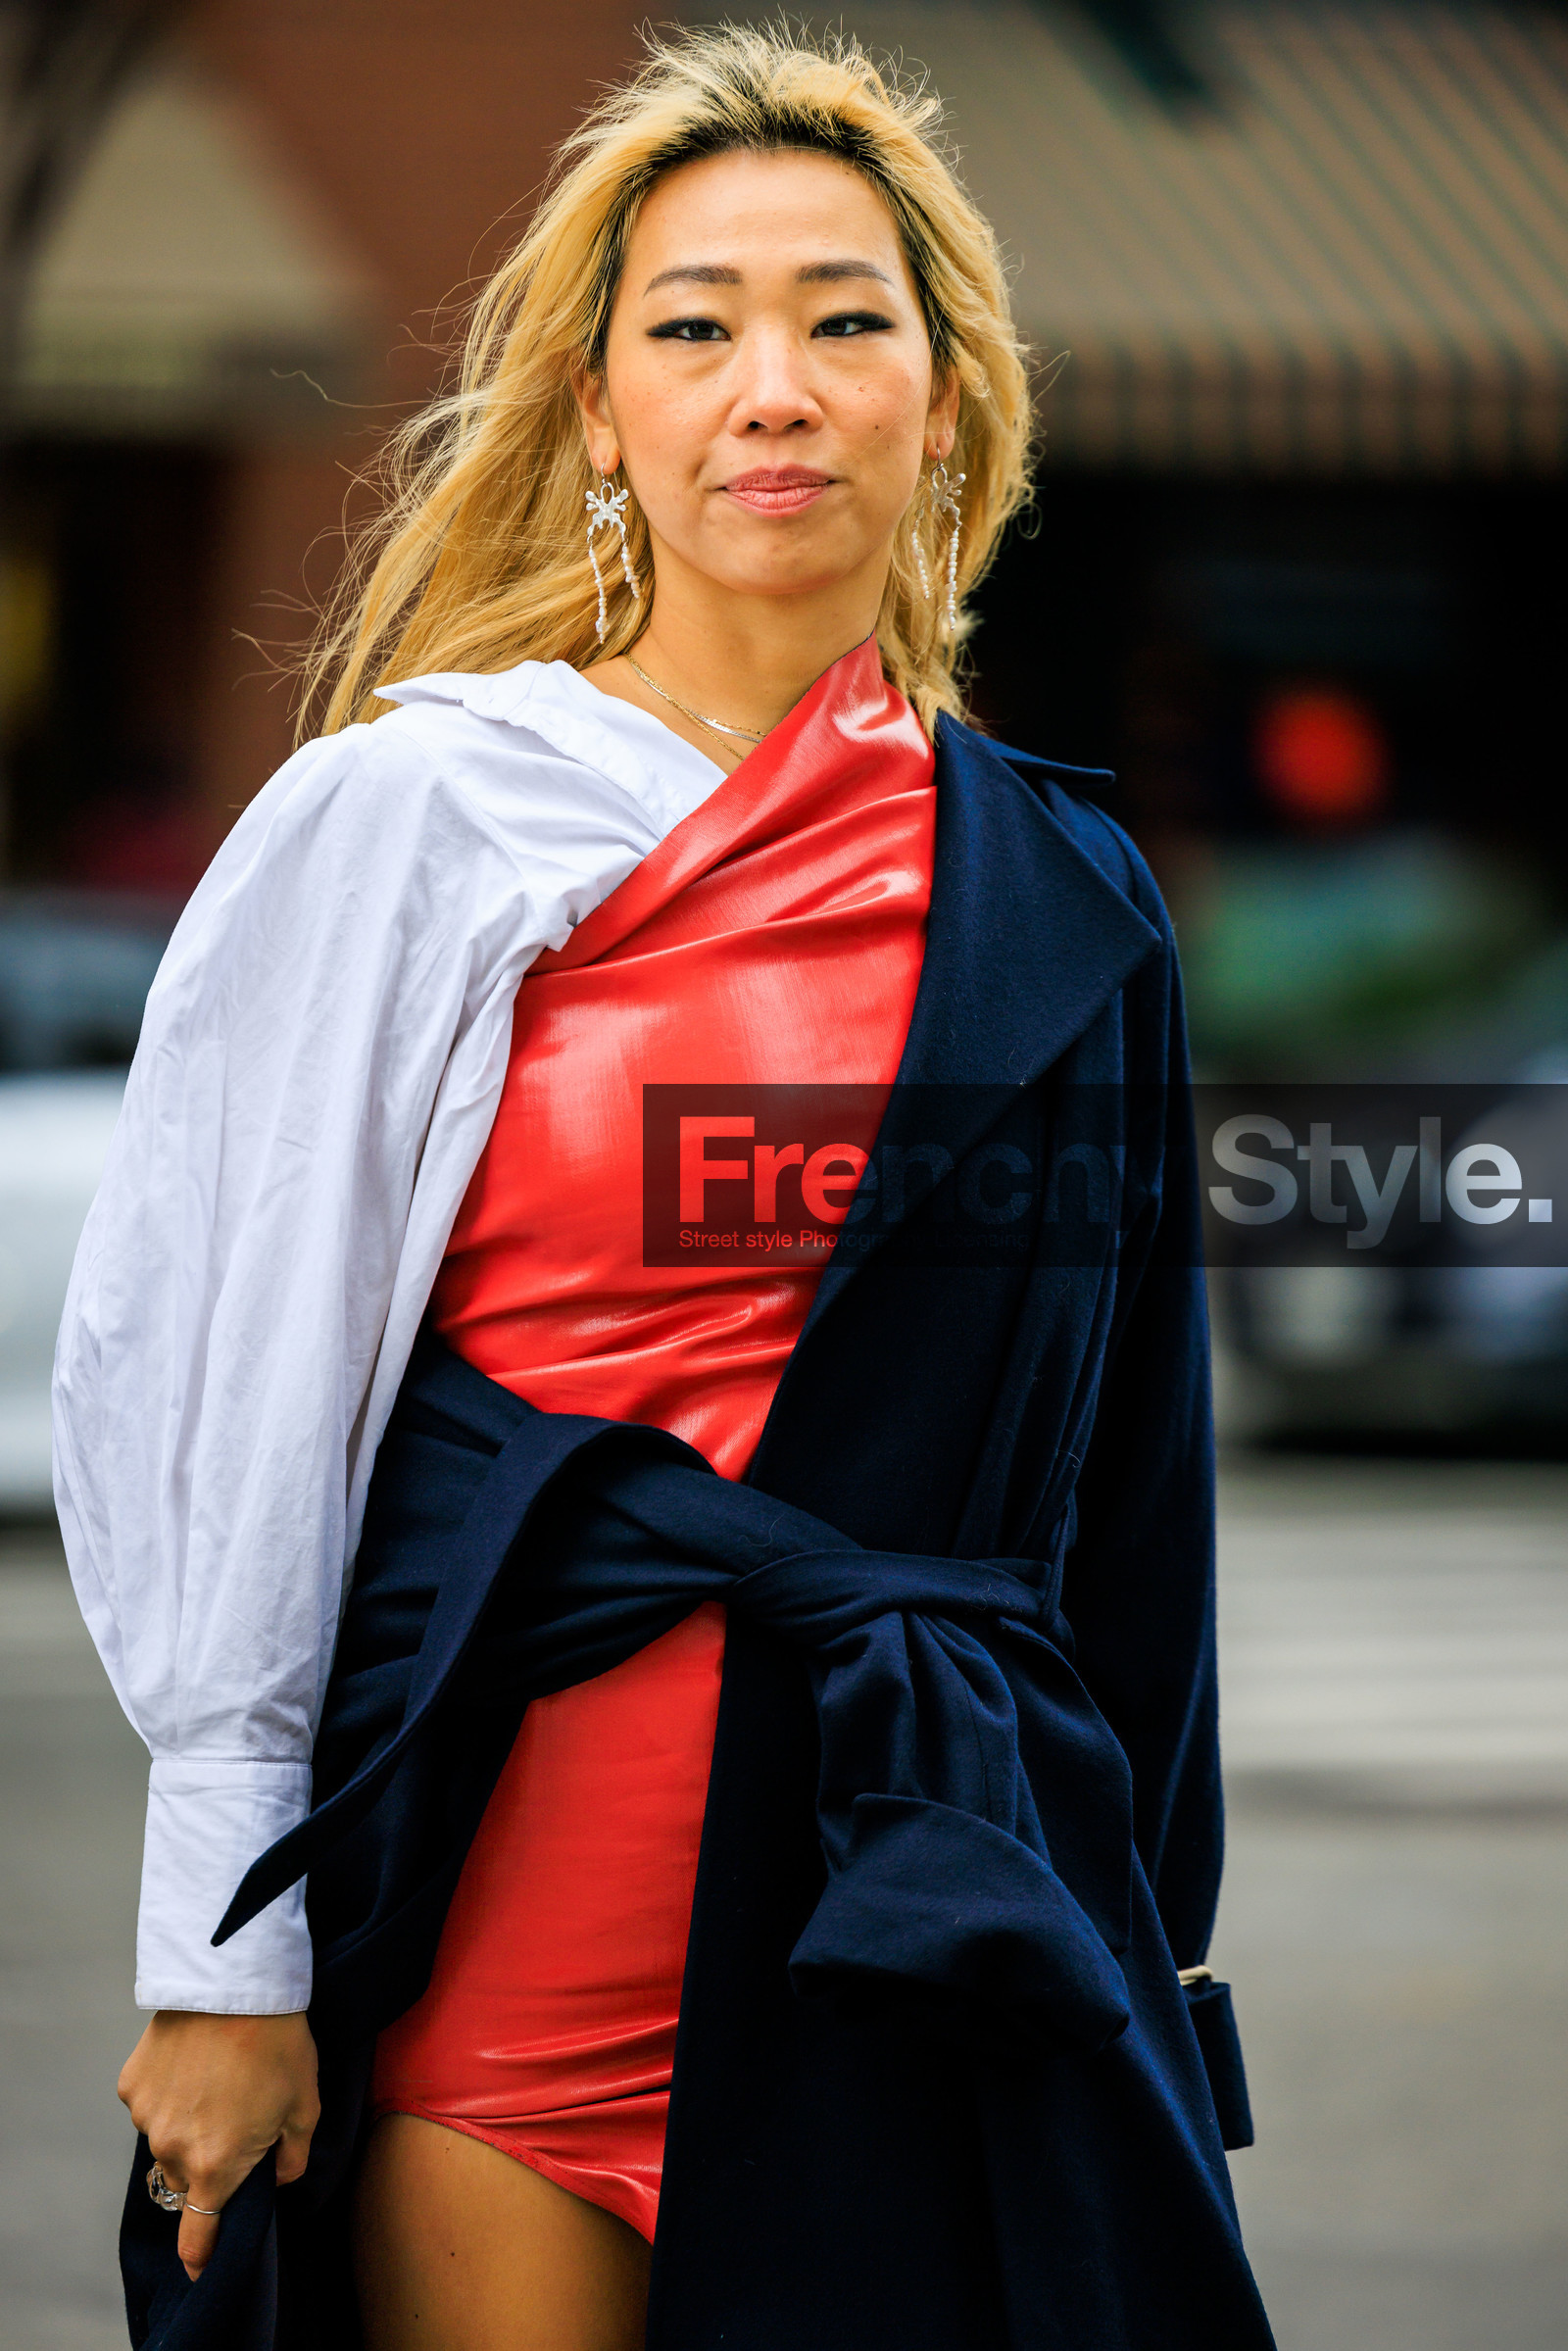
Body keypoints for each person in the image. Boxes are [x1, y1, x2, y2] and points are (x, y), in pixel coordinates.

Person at [55, 25, 1274, 2351]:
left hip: (929, 1915)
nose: (772, 385)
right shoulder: (416, 821)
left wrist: (1154, 1962)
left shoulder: (1066, 888)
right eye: (692, 326)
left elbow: (1132, 1498)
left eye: (844, 318)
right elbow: (230, 1398)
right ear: (599, 412)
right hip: (508, 1916)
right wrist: (220, 1957)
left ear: (945, 399)